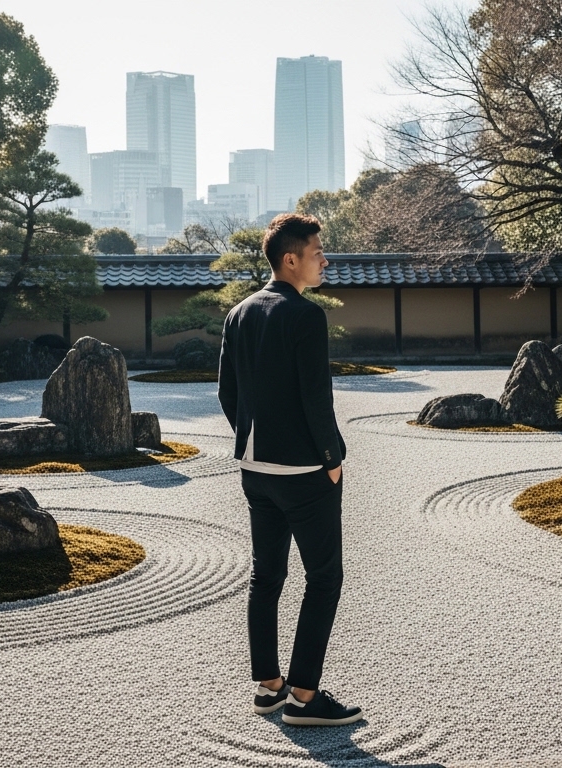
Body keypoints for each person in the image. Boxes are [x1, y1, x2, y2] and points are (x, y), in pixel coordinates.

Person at [217, 213, 363, 727]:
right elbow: (315, 398)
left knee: (267, 576)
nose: (325, 259)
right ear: (290, 259)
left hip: (255, 471)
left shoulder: (238, 313)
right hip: (304, 472)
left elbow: (227, 394)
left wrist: (254, 443)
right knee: (324, 578)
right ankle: (304, 697)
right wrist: (333, 458)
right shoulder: (306, 316)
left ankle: (269, 687)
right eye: (318, 251)